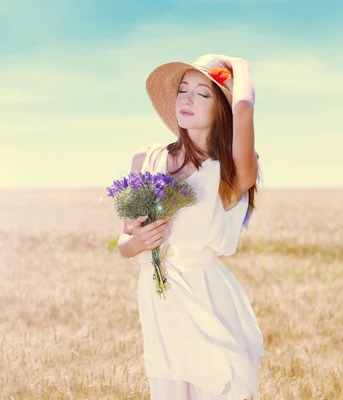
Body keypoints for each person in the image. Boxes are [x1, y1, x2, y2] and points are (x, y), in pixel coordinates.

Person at [116, 54, 265, 400]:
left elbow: (243, 107)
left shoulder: (230, 171)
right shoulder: (146, 158)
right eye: (183, 90)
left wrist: (238, 63)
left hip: (206, 298)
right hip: (158, 299)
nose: (187, 98)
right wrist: (137, 242)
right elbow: (123, 243)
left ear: (221, 110)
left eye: (203, 93)